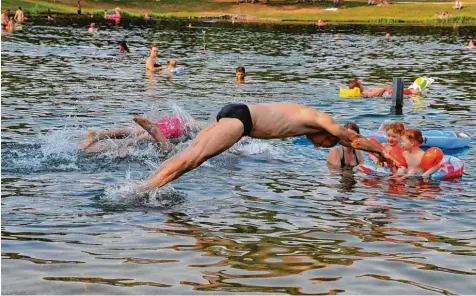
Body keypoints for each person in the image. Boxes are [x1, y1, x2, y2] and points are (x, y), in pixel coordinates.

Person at [135, 102, 392, 191]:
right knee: (192, 159)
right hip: (241, 121)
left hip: (236, 112)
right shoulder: (322, 120)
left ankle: (150, 183)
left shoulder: (308, 117)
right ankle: (145, 188)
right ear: (328, 135)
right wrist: (381, 152)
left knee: (190, 156)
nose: (319, 146)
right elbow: (353, 138)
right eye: (326, 144)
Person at [79, 116, 203, 153]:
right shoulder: (202, 129)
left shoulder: (188, 120)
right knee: (128, 142)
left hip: (168, 122)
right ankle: (92, 150)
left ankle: (95, 136)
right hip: (172, 132)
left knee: (125, 132)